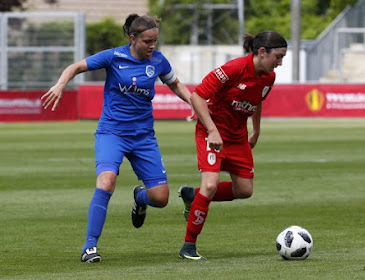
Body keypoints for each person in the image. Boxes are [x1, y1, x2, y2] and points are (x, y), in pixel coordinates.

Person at [41, 14, 192, 262]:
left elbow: (175, 84)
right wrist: (60, 84)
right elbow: (75, 67)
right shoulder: (113, 56)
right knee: (106, 181)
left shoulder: (158, 61)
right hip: (112, 132)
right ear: (133, 38)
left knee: (161, 199)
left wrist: (192, 102)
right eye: (147, 41)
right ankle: (90, 247)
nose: (152, 46)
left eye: (155, 40)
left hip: (143, 137)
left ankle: (140, 197)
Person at [177, 31, 287, 260]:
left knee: (245, 191)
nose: (281, 62)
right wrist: (212, 130)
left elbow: (256, 101)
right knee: (210, 185)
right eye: (278, 56)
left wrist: (256, 130)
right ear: (262, 52)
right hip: (212, 134)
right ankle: (188, 246)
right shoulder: (234, 68)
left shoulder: (269, 77)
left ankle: (191, 195)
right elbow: (197, 96)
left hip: (237, 137)